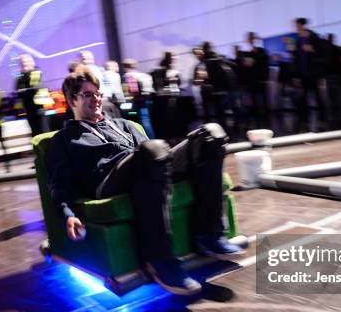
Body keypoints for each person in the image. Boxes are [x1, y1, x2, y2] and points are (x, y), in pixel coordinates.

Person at [46, 71, 244, 295]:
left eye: (98, 93)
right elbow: (59, 183)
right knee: (152, 150)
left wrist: (182, 159)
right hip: (106, 180)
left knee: (211, 136)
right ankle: (161, 262)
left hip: (142, 165)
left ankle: (210, 235)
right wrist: (68, 213)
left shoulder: (123, 124)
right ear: (72, 100)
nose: (97, 99)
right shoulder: (62, 140)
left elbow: (158, 159)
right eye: (88, 95)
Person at [292, 18, 327, 129]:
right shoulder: (298, 41)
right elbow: (296, 60)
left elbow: (322, 54)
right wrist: (297, 77)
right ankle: (305, 122)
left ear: (303, 25)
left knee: (318, 98)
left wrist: (312, 49)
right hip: (303, 75)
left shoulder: (314, 37)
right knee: (303, 99)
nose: (296, 28)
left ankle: (323, 120)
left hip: (314, 74)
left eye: (297, 25)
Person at [15, 54, 48, 137]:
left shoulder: (37, 73)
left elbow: (36, 89)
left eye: (26, 62)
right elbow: (18, 94)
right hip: (28, 109)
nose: (24, 64)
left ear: (32, 63)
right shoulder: (19, 78)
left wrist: (24, 91)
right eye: (22, 62)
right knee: (35, 134)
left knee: (44, 133)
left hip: (39, 108)